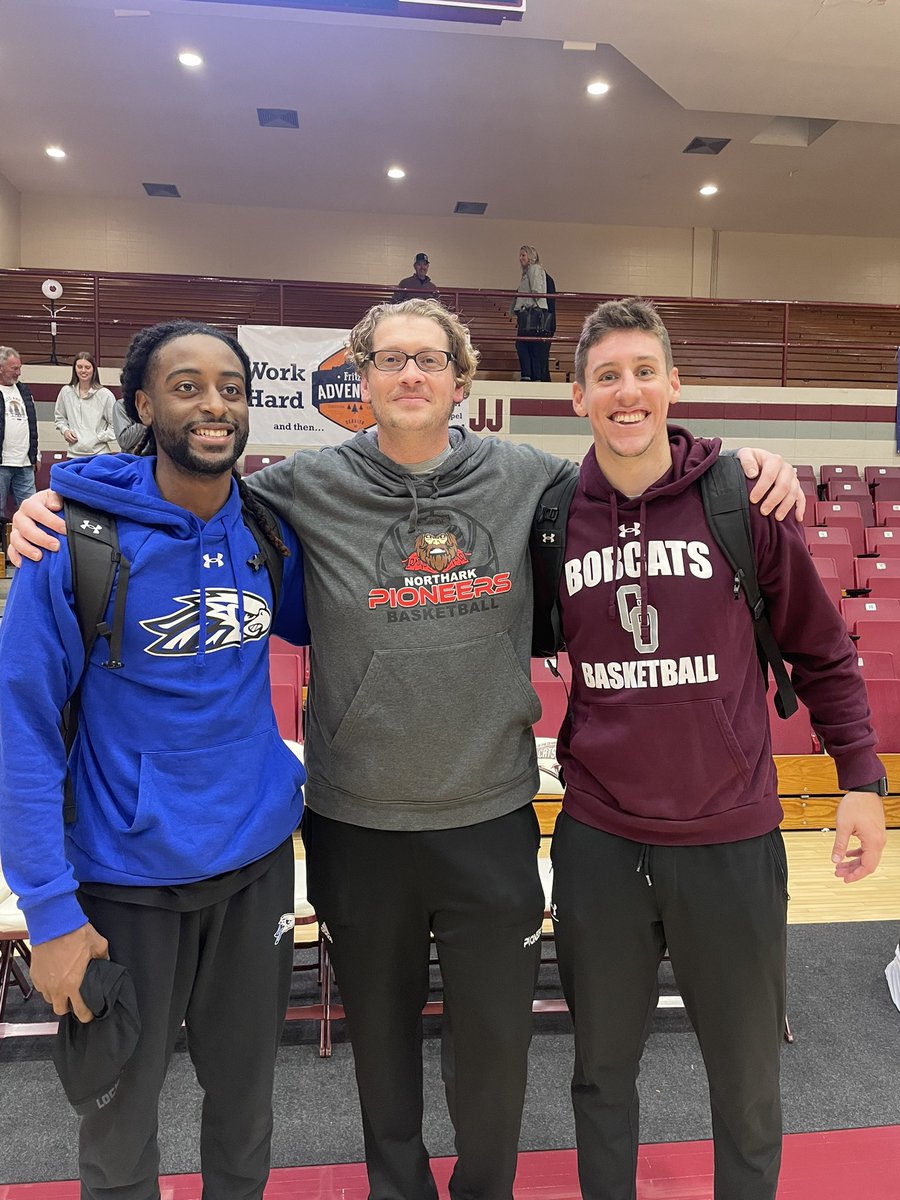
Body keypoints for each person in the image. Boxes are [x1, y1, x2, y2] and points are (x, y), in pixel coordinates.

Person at [9, 297, 803, 1200]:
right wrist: (56, 499)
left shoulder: (529, 479)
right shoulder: (292, 490)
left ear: (461, 381)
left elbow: (637, 465)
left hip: (490, 817)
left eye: (429, 360)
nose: (411, 375)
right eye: (390, 360)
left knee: (490, 1062)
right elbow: (180, 482)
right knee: (377, 1056)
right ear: (361, 380)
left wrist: (740, 462)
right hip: (353, 824)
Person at [548, 298, 887, 1200]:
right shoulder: (552, 517)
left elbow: (821, 648)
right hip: (598, 841)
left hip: (731, 839)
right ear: (577, 394)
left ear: (674, 385)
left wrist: (861, 780)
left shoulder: (740, 501)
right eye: (608, 376)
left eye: (645, 371)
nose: (629, 392)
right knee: (600, 1076)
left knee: (746, 1084)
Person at [0, 320, 309, 1199]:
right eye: (187, 386)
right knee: (118, 1131)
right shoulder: (72, 541)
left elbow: (353, 619)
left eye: (232, 388)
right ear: (142, 403)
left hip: (253, 874)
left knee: (246, 1120)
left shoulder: (264, 530)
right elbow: (18, 728)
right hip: (125, 886)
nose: (214, 405)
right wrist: (52, 915)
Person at [54, 351, 118, 456]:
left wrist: (98, 437)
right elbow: (60, 418)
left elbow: (115, 425)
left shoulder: (105, 395)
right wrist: (65, 430)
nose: (83, 371)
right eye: (80, 367)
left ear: (94, 370)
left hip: (99, 455)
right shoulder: (66, 392)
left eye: (87, 367)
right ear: (74, 369)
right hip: (73, 455)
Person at [0, 345, 38, 514]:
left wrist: (36, 454)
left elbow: (32, 425)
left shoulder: (23, 390)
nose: (18, 373)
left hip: (24, 464)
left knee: (32, 511)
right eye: (14, 369)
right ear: (1, 369)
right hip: (2, 463)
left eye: (19, 368)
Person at [510, 245, 549, 383]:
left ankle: (529, 375)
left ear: (531, 256)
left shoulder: (534, 269)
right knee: (529, 345)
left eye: (523, 255)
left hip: (530, 313)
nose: (520, 258)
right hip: (529, 312)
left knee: (525, 345)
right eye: (520, 255)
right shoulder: (529, 271)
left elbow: (536, 291)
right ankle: (532, 375)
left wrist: (525, 306)